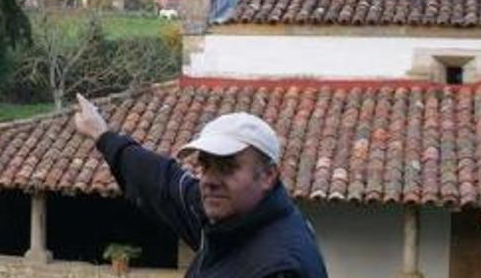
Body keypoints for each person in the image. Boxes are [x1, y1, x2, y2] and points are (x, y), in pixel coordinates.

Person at [73, 93, 327, 278]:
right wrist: (103, 135)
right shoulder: (228, 221)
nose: (210, 180)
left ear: (268, 175)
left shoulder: (280, 267)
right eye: (205, 165)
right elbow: (162, 182)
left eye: (227, 167)